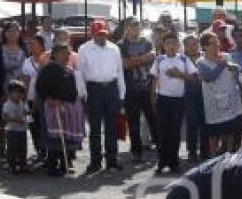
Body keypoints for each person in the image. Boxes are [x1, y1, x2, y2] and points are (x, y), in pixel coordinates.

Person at [78, 20, 126, 172]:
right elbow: (80, 73)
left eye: (104, 34)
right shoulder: (84, 49)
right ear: (93, 34)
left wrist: (122, 93)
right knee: (95, 128)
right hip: (94, 89)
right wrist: (83, 93)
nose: (102, 37)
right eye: (98, 34)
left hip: (111, 88)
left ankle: (112, 160)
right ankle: (95, 161)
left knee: (112, 128)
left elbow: (119, 72)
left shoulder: (114, 49)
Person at [150, 33, 197, 173]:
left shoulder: (184, 59)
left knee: (175, 131)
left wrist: (179, 75)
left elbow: (194, 78)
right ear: (163, 46)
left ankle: (173, 161)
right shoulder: (159, 60)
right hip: (163, 99)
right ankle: (162, 160)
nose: (171, 46)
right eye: (168, 43)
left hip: (178, 100)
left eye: (174, 43)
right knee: (162, 131)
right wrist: (153, 98)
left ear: (178, 46)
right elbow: (154, 79)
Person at [36, 44, 85, 176]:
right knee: (55, 138)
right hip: (53, 107)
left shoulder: (70, 71)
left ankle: (65, 165)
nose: (66, 56)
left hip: (67, 108)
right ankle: (52, 167)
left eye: (68, 53)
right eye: (63, 53)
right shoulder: (48, 69)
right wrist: (50, 99)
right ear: (55, 54)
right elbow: (40, 87)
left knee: (66, 137)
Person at [197, 32, 242, 156]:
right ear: (205, 46)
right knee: (214, 133)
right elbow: (209, 77)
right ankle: (213, 157)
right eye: (212, 43)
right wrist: (222, 66)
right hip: (213, 103)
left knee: (230, 130)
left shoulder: (226, 56)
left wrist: (232, 66)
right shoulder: (201, 62)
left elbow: (237, 69)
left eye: (217, 42)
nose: (216, 45)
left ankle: (229, 156)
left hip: (231, 100)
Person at [119, 17, 158, 162]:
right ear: (127, 28)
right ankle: (136, 152)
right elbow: (124, 65)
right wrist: (143, 59)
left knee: (153, 119)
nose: (135, 28)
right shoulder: (121, 45)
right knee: (133, 122)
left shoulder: (147, 42)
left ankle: (161, 148)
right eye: (132, 26)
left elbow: (153, 57)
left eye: (137, 25)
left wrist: (134, 60)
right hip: (130, 89)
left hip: (147, 88)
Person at [0, 21, 27, 160]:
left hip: (21, 89)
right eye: (10, 30)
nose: (13, 33)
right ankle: (3, 148)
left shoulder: (24, 49)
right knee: (2, 120)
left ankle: (18, 151)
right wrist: (0, 90)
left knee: (19, 119)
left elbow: (27, 70)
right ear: (5, 33)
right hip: (3, 89)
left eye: (16, 30)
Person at [21, 34, 45, 162]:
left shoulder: (47, 59)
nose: (31, 47)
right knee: (33, 126)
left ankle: (47, 151)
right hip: (31, 100)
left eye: (33, 44)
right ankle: (39, 150)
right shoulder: (26, 62)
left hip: (45, 100)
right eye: (29, 45)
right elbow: (25, 81)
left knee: (45, 125)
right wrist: (23, 101)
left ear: (41, 46)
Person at [182, 34, 205, 162]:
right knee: (192, 124)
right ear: (184, 46)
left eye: (194, 44)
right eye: (189, 44)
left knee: (205, 124)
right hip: (188, 95)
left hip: (205, 95)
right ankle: (191, 151)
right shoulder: (181, 60)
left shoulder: (205, 58)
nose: (192, 47)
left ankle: (205, 150)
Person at [2, 80, 28, 173]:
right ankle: (12, 166)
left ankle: (23, 165)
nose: (19, 95)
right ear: (10, 93)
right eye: (16, 92)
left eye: (21, 93)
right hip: (12, 130)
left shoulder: (22, 103)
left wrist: (28, 114)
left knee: (23, 148)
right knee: (12, 149)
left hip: (22, 130)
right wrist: (17, 120)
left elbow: (25, 112)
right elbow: (4, 117)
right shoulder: (7, 104)